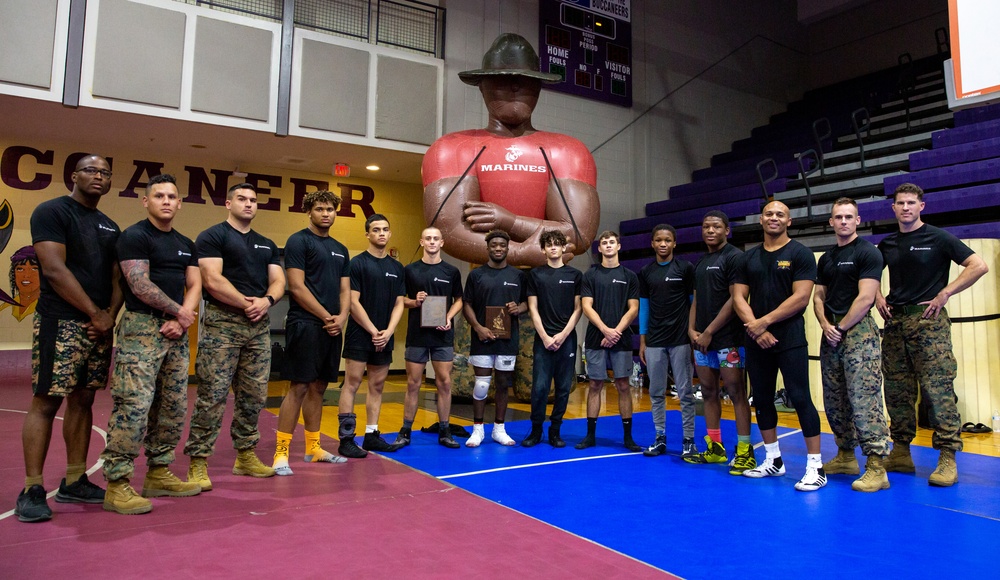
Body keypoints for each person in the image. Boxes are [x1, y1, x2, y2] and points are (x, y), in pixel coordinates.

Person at [422, 33, 599, 267]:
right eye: (502, 80)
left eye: (524, 80)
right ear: (482, 86)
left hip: (548, 280)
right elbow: (449, 228)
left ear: (538, 86)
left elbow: (578, 232)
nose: (515, 87)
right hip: (490, 279)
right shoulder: (452, 149)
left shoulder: (568, 151)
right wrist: (519, 253)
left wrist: (510, 221)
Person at [15, 154, 122, 523]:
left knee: (84, 399)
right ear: (73, 175)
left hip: (98, 328)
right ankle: (31, 487)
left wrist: (108, 316)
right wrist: (96, 314)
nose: (99, 176)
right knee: (46, 401)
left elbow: (117, 279)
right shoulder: (52, 212)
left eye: (105, 173)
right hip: (59, 322)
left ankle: (76, 479)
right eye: (91, 170)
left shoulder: (110, 226)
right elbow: (54, 269)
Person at [100, 174, 202, 514]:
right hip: (142, 328)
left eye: (172, 196)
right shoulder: (134, 237)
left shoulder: (187, 242)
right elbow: (138, 283)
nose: (166, 201)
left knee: (172, 406)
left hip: (176, 331)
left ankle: (159, 472)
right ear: (146, 201)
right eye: (159, 196)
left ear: (180, 202)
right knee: (134, 405)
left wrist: (181, 317)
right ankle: (117, 485)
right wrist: (180, 313)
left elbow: (194, 283)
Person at [875, 183, 988, 487]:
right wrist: (876, 296)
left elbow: (979, 265)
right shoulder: (887, 244)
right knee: (898, 393)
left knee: (937, 392)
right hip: (896, 325)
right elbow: (869, 274)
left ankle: (948, 456)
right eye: (901, 203)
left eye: (912, 202)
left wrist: (945, 293)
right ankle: (900, 451)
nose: (906, 207)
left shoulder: (938, 238)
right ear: (894, 208)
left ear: (921, 206)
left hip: (929, 325)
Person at [183, 183, 285, 489]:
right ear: (228, 203)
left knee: (253, 396)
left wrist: (266, 302)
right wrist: (246, 304)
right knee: (212, 395)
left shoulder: (266, 244)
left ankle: (245, 456)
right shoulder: (213, 236)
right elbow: (211, 279)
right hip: (223, 323)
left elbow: (278, 281)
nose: (249, 204)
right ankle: (198, 462)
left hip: (257, 326)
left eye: (253, 200)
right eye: (242, 199)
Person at [732, 200, 825, 491]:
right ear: (761, 219)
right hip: (757, 339)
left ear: (789, 221)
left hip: (790, 338)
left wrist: (764, 322)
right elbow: (738, 298)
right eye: (769, 213)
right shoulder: (748, 258)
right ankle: (773, 460)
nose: (774, 218)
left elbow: (801, 297)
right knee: (760, 399)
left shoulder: (801, 253)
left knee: (799, 398)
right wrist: (757, 329)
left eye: (780, 214)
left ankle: (815, 467)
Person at [813, 198, 891, 492]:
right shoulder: (827, 258)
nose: (843, 221)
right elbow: (818, 296)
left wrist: (841, 327)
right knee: (835, 399)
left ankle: (876, 466)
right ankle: (846, 456)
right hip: (831, 331)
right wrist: (825, 325)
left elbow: (866, 297)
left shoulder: (868, 253)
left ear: (858, 221)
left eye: (849, 217)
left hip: (857, 332)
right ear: (831, 222)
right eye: (838, 217)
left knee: (864, 399)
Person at [272, 190, 350, 475]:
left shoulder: (341, 248)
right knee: (299, 387)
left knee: (319, 387)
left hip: (332, 327)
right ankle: (281, 453)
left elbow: (345, 289)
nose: (326, 213)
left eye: (330, 209)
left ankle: (314, 447)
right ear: (309, 211)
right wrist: (326, 316)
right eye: (320, 209)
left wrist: (341, 317)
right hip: (304, 324)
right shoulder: (298, 241)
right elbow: (296, 286)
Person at [687, 211, 755, 474]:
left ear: (727, 230)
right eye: (706, 226)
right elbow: (696, 300)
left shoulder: (735, 258)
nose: (710, 230)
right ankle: (715, 448)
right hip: (702, 340)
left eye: (716, 226)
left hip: (728, 339)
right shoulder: (702, 262)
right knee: (708, 392)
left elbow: (735, 300)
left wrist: (709, 332)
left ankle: (745, 452)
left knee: (737, 393)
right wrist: (692, 330)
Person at [337, 213, 407, 458]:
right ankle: (346, 438)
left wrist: (388, 332)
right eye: (375, 230)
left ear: (390, 234)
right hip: (360, 333)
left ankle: (371, 435)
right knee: (352, 384)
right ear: (367, 234)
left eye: (385, 229)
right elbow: (353, 302)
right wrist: (372, 330)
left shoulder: (397, 268)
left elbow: (400, 304)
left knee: (377, 386)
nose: (381, 234)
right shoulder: (357, 263)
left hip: (383, 337)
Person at [399, 227, 464, 449]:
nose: (432, 242)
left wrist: (448, 316)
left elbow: (459, 300)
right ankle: (406, 430)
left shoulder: (451, 271)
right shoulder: (410, 270)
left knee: (444, 383)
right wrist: (414, 301)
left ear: (442, 242)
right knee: (413, 383)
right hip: (417, 335)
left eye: (436, 238)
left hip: (442, 336)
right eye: (428, 238)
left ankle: (444, 430)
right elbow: (400, 301)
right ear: (422, 241)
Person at [577, 231, 642, 451]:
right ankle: (590, 435)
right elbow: (586, 306)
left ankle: (628, 437)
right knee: (594, 384)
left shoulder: (630, 276)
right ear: (600, 249)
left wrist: (616, 332)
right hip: (597, 337)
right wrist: (606, 330)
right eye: (604, 243)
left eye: (611, 242)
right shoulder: (590, 275)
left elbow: (634, 308)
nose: (608, 245)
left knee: (623, 385)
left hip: (622, 338)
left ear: (619, 246)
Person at [462, 229, 527, 447]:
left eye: (502, 245)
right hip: (482, 338)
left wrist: (519, 308)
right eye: (494, 245)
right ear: (488, 247)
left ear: (508, 248)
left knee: (502, 384)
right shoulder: (476, 275)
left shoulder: (518, 275)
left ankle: (499, 429)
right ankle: (477, 429)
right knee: (481, 384)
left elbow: (528, 302)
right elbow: (466, 304)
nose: (498, 248)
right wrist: (478, 327)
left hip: (508, 340)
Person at [637, 224, 697, 459]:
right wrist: (643, 341)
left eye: (667, 240)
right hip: (654, 342)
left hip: (680, 340)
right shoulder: (646, 272)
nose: (663, 244)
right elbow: (644, 308)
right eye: (659, 240)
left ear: (674, 243)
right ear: (652, 243)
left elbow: (694, 303)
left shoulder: (685, 268)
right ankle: (660, 437)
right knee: (656, 391)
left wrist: (692, 332)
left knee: (685, 392)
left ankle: (689, 440)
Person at [522, 230, 582, 448]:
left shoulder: (575, 275)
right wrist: (546, 337)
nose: (554, 247)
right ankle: (536, 430)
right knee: (539, 387)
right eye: (549, 245)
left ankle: (555, 430)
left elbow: (578, 309)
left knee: (564, 387)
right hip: (543, 339)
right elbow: (532, 308)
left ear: (564, 247)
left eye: (558, 244)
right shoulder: (535, 275)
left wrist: (563, 334)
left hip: (566, 339)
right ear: (543, 249)